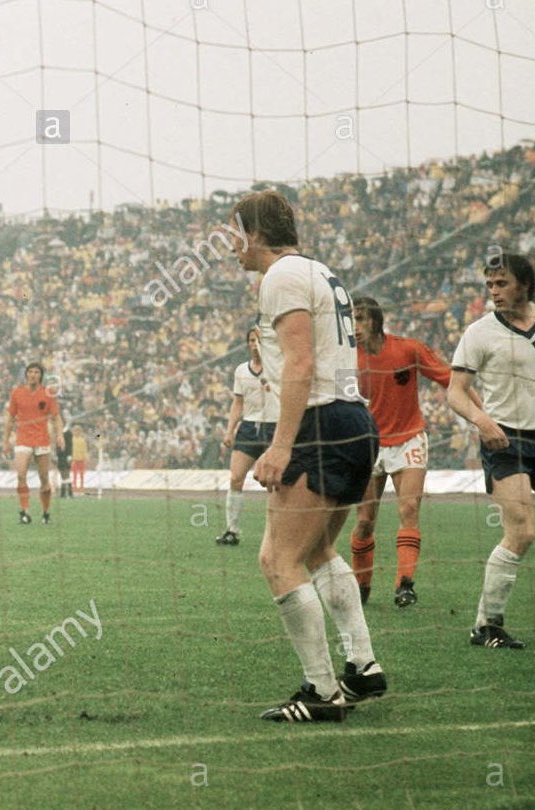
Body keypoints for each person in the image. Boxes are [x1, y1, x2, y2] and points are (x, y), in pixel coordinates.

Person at [231, 189, 386, 722]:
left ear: (253, 233)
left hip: (318, 424)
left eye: (235, 233)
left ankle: (321, 693)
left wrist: (279, 445)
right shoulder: (320, 272)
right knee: (318, 551)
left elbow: (299, 365)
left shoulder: (280, 277)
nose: (232, 246)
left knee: (278, 560)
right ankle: (363, 666)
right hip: (351, 419)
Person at [447, 253, 535, 649]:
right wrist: (483, 421)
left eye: (502, 284)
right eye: (490, 285)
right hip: (506, 440)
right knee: (522, 530)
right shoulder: (480, 332)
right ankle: (487, 625)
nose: (495, 292)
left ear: (525, 284)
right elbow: (455, 392)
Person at [350, 296, 461, 607]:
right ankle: (361, 585)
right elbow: (345, 405)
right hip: (370, 444)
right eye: (351, 319)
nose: (355, 326)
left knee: (409, 509)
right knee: (364, 520)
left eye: (360, 319)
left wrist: (482, 415)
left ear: (375, 321)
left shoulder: (408, 349)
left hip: (409, 438)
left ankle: (405, 584)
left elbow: (451, 379)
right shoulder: (347, 360)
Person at [215, 326, 279, 546]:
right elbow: (238, 402)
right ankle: (232, 530)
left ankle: (275, 534)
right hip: (249, 428)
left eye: (258, 340)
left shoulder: (277, 367)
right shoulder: (241, 370)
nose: (254, 344)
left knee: (273, 483)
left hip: (274, 427)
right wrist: (230, 430)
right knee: (235, 478)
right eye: (251, 340)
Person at [1, 363, 65, 525]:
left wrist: (60, 435)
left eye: (36, 372)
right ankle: (24, 512)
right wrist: (6, 440)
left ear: (41, 375)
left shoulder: (48, 394)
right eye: (30, 372)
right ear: (26, 374)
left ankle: (46, 513)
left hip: (42, 440)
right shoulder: (17, 393)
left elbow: (56, 417)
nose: (33, 375)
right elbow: (9, 418)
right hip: (23, 440)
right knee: (21, 475)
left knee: (44, 478)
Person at [71, 427, 88, 495]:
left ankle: (81, 488)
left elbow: (85, 450)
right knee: (74, 475)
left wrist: (85, 458)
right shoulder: (71, 440)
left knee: (81, 475)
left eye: (78, 431)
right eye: (75, 431)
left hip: (81, 460)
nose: (76, 432)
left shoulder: (82, 440)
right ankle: (74, 489)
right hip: (74, 460)